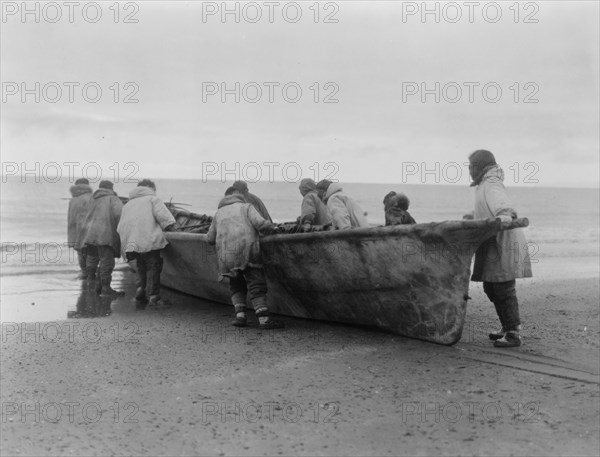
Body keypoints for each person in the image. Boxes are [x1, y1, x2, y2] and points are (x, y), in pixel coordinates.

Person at [468, 149, 532, 348]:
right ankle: (507, 327)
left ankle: (513, 333)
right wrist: (471, 217)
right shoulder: (484, 184)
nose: (469, 170)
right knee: (491, 286)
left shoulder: (492, 183)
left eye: (471, 166)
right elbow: (486, 208)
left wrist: (505, 215)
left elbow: (502, 206)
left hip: (503, 240)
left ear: (479, 166)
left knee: (503, 287)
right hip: (492, 242)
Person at [206, 191, 283, 329]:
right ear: (240, 198)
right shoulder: (246, 207)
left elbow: (210, 238)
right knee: (256, 284)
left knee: (236, 284)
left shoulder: (218, 214)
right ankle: (264, 319)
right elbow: (261, 224)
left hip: (227, 256)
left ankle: (240, 317)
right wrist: (274, 228)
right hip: (247, 251)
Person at [117, 179, 178, 307]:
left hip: (132, 243)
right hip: (148, 240)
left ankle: (140, 291)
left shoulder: (128, 204)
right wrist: (173, 230)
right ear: (151, 189)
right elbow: (164, 218)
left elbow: (121, 227)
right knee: (153, 267)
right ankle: (154, 297)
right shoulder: (153, 199)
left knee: (141, 266)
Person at [80, 180, 124, 296]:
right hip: (105, 234)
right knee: (107, 261)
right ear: (111, 188)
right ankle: (105, 288)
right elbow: (120, 215)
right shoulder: (113, 199)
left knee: (92, 258)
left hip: (90, 235)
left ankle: (92, 284)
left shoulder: (92, 198)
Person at [67, 178, 93, 279]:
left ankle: (84, 272)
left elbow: (70, 218)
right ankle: (91, 273)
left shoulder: (73, 200)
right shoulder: (91, 198)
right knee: (91, 253)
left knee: (80, 252)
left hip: (76, 231)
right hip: (88, 230)